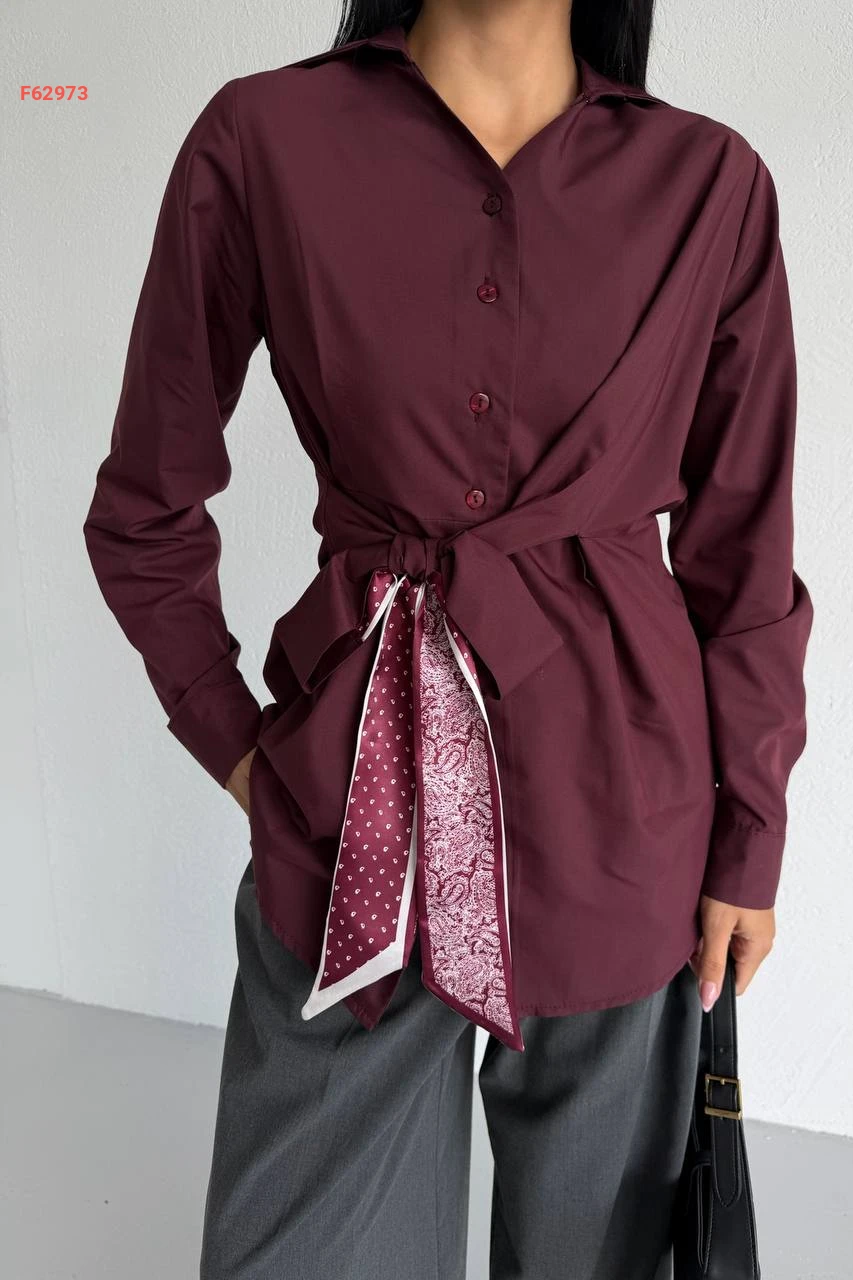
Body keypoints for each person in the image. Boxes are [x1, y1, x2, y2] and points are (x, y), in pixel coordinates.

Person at [82, 1, 814, 1276]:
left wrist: (748, 838)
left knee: (603, 1250)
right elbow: (145, 505)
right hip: (354, 809)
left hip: (623, 812)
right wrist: (244, 754)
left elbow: (742, 551)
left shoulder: (710, 182)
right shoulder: (264, 140)